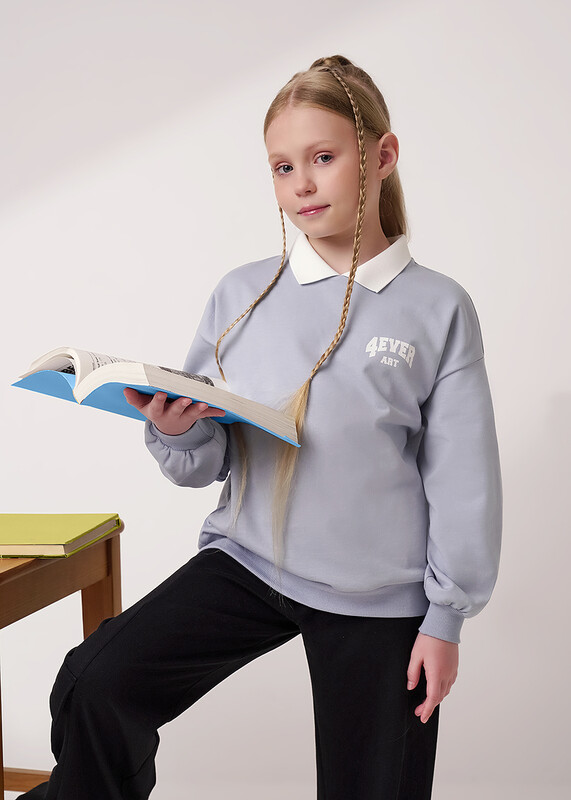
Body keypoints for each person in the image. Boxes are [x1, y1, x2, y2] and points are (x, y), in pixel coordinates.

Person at [20, 55, 502, 800]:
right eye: (282, 166)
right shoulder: (242, 294)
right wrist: (178, 431)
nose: (301, 183)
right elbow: (206, 458)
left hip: (380, 595)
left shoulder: (438, 308)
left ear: (382, 156)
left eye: (322, 157)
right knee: (96, 681)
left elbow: (464, 479)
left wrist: (445, 619)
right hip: (248, 562)